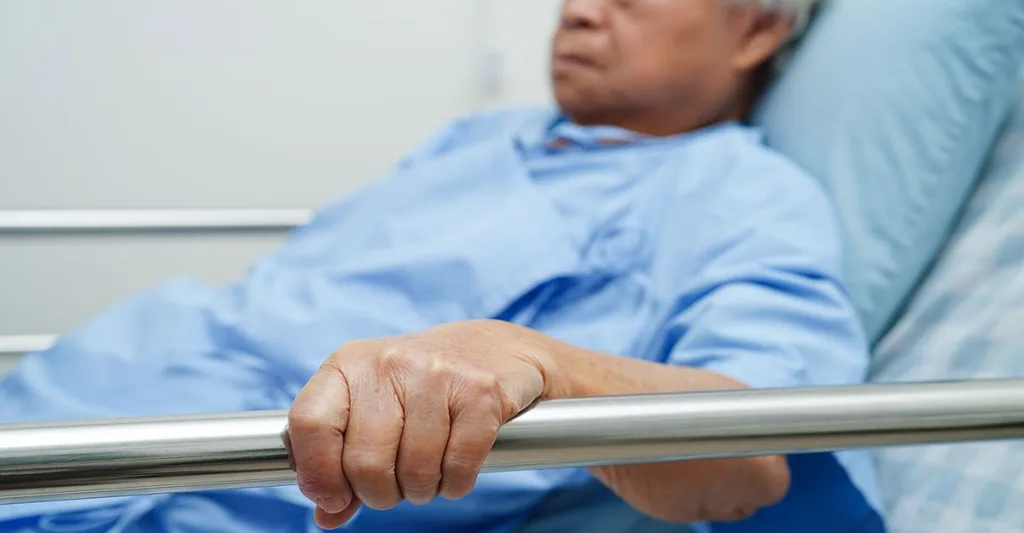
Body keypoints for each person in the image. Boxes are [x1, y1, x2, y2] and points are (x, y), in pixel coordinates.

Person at [0, 0, 885, 532]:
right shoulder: (479, 139)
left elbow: (755, 458)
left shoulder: (742, 194)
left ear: (757, 30)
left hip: (149, 491)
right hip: (63, 401)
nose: (578, 10)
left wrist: (551, 368)